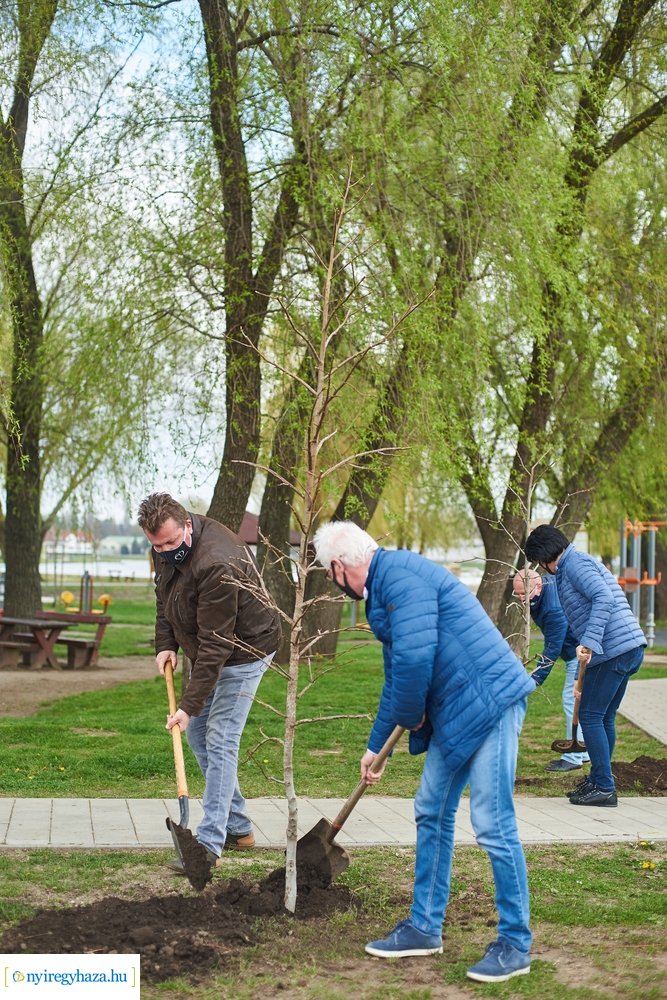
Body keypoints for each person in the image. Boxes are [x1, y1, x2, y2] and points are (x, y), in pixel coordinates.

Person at [313, 521, 535, 984]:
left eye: (327, 574)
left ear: (338, 567)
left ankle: (515, 943)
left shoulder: (398, 578)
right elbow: (399, 673)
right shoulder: (389, 581)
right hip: (459, 708)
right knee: (431, 808)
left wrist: (411, 718)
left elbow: (415, 661)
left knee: (493, 823)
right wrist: (377, 747)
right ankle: (424, 927)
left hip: (489, 701)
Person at [137, 492, 280, 872]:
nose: (164, 551)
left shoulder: (217, 561)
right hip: (209, 647)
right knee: (198, 735)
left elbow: (218, 646)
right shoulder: (165, 546)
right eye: (157, 546)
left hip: (245, 650)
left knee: (219, 738)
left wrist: (186, 706)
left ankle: (209, 845)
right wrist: (166, 644)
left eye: (170, 543)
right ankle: (239, 828)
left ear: (187, 525)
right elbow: (164, 596)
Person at [524, 525, 646, 808]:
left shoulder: (574, 564)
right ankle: (598, 779)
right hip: (625, 648)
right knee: (603, 717)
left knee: (590, 716)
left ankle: (604, 787)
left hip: (613, 651)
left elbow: (602, 598)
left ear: (544, 557)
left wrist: (588, 642)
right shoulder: (573, 565)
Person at [512, 568, 590, 773]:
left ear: (537, 587)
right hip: (579, 648)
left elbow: (552, 650)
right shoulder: (544, 586)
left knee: (571, 699)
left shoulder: (553, 609)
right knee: (578, 701)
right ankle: (584, 752)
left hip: (582, 651)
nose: (520, 598)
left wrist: (533, 681)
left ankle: (574, 755)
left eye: (524, 593)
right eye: (517, 593)